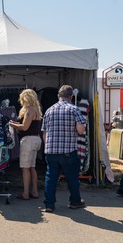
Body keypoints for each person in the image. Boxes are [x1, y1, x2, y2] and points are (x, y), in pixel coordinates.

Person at [41, 85, 86, 213]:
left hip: (51, 150)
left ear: (58, 96)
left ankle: (49, 205)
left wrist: (48, 147)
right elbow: (80, 130)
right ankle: (75, 202)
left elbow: (44, 133)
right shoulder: (74, 109)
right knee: (72, 178)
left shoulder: (49, 110)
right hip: (68, 150)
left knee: (51, 178)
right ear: (71, 96)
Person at [9, 89, 42, 200]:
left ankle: (26, 193)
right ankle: (35, 192)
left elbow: (24, 127)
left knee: (25, 168)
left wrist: (12, 125)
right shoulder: (37, 110)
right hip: (36, 139)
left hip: (28, 141)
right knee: (32, 167)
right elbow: (27, 125)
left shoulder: (29, 110)